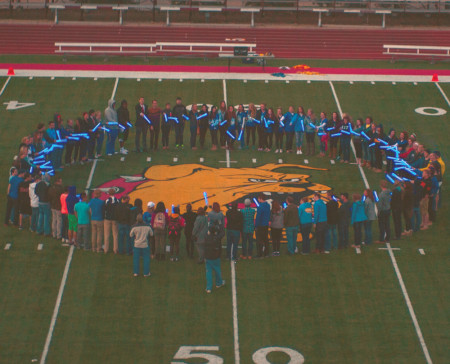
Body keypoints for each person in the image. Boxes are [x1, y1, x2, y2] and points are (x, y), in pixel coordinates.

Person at [204, 222, 225, 294]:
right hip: (216, 256)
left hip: (208, 256)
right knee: (217, 270)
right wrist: (220, 225)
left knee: (208, 272)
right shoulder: (217, 238)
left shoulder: (206, 237)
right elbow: (222, 233)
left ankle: (208, 288)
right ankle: (219, 283)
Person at [104, 188, 119, 254]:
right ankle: (115, 249)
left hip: (107, 219)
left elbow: (104, 209)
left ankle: (106, 249)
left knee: (107, 235)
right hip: (115, 219)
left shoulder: (107, 200)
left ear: (109, 193)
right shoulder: (117, 200)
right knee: (115, 235)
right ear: (114, 193)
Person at [255, 193, 271, 258]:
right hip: (266, 224)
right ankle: (266, 253)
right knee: (265, 239)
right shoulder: (268, 205)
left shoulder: (260, 206)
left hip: (260, 225)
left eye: (258, 198)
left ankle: (259, 254)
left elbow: (258, 217)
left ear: (261, 198)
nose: (258, 200)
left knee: (259, 240)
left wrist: (256, 226)